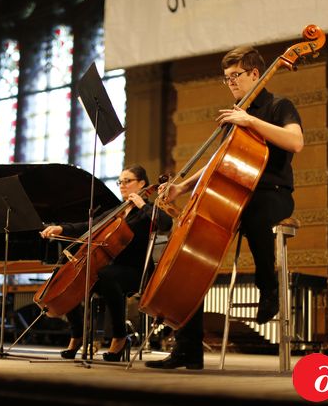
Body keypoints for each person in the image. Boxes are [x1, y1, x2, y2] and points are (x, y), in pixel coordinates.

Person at [145, 46, 303, 369]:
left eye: (236, 76)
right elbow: (218, 163)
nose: (231, 83)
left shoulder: (278, 106)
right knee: (193, 256)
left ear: (255, 74)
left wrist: (250, 121)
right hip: (237, 192)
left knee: (257, 212)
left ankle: (268, 288)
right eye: (226, 78)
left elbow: (295, 141)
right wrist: (182, 186)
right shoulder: (234, 116)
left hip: (273, 192)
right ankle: (188, 348)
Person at [40, 165, 172, 361]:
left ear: (142, 183)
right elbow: (88, 227)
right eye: (120, 182)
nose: (122, 186)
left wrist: (142, 205)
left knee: (106, 275)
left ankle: (119, 337)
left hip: (136, 272)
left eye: (128, 181)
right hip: (108, 268)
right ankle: (77, 335)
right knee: (70, 279)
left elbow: (166, 224)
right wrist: (61, 228)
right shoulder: (116, 212)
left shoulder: (147, 212)